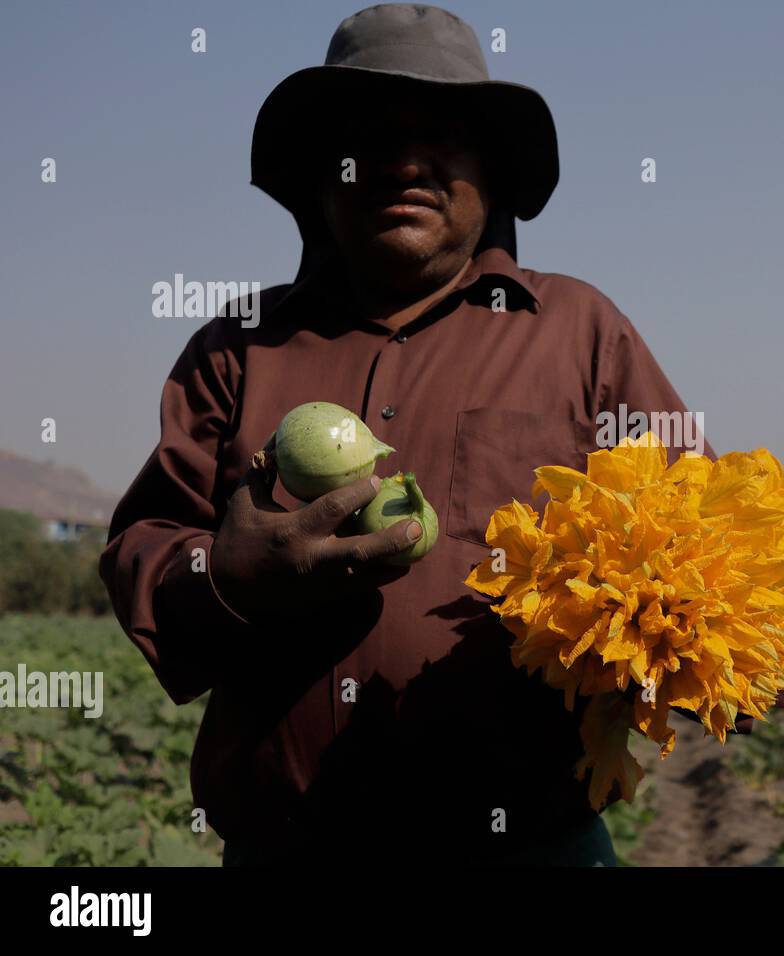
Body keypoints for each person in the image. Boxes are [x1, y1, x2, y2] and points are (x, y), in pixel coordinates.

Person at [101, 4, 746, 866]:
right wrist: (226, 575)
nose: (404, 163)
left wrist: (697, 638)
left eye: (443, 133)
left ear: (494, 170)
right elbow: (144, 546)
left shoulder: (582, 333)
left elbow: (706, 532)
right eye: (366, 135)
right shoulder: (239, 347)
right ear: (321, 177)